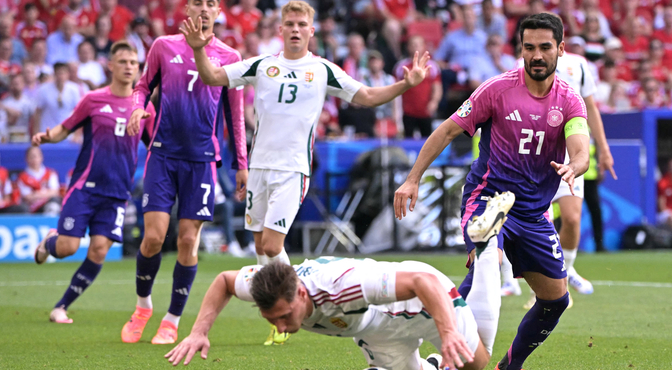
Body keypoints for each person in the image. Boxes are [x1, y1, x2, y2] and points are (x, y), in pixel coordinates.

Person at [181, 0, 432, 345]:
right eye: (290, 24)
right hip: (259, 168)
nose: (296, 29)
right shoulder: (262, 65)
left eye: (302, 24)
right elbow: (212, 76)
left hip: (292, 169)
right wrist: (198, 51)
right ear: (281, 30)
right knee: (259, 245)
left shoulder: (323, 69)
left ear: (311, 31)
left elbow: (369, 95)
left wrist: (406, 84)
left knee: (272, 245)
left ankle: (297, 299)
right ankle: (277, 312)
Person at [394, 13, 590, 370]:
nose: (536, 55)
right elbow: (447, 131)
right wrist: (413, 178)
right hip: (488, 200)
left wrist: (574, 166)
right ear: (521, 48)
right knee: (488, 261)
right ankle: (440, 353)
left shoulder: (570, 101)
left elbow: (580, 148)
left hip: (532, 214)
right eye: (529, 47)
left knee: (555, 300)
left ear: (560, 49)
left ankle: (502, 365)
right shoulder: (496, 89)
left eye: (545, 47)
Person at [167, 193, 512, 369]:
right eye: (272, 320)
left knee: (479, 364)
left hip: (419, 303)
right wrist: (199, 331)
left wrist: (448, 331)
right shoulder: (270, 284)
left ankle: (484, 248)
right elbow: (226, 280)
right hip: (375, 331)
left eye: (285, 316)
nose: (283, 328)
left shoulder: (344, 285)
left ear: (302, 292)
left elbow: (423, 280)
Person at [120, 0, 248, 346]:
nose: (203, 9)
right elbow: (142, 87)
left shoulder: (230, 57)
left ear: (218, 12)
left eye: (210, 3)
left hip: (202, 159)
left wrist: (242, 164)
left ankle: (172, 319)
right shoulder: (164, 46)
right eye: (197, 2)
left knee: (189, 240)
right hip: (162, 154)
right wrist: (137, 110)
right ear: (186, 9)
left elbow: (234, 114)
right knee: (153, 238)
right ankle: (143, 306)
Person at [32, 41, 156, 324]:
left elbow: (156, 145)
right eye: (123, 62)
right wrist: (46, 136)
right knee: (66, 248)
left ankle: (60, 307)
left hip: (117, 194)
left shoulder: (145, 108)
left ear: (139, 69)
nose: (128, 67)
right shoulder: (93, 100)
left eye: (133, 63)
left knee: (99, 249)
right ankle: (48, 242)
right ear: (110, 66)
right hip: (85, 188)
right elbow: (66, 127)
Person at [507, 39, 616, 305]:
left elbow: (591, 109)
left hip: (570, 152)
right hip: (537, 153)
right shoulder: (524, 66)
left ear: (560, 45)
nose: (540, 52)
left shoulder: (579, 65)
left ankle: (566, 270)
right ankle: (540, 286)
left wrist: (603, 148)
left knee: (572, 218)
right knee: (539, 222)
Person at [394, 35, 442, 138]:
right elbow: (395, 89)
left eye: (418, 44)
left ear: (424, 46)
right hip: (407, 112)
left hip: (426, 111)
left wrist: (434, 102)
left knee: (427, 141)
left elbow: (437, 87)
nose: (416, 47)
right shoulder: (401, 67)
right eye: (413, 44)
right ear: (408, 47)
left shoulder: (432, 67)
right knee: (407, 141)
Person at [16, 146, 62, 214]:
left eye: (37, 156)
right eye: (31, 157)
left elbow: (55, 192)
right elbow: (28, 197)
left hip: (48, 204)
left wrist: (36, 193)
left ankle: (50, 223)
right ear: (26, 159)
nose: (34, 159)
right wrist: (46, 193)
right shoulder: (22, 177)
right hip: (32, 208)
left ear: (41, 157)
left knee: (54, 202)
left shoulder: (50, 173)